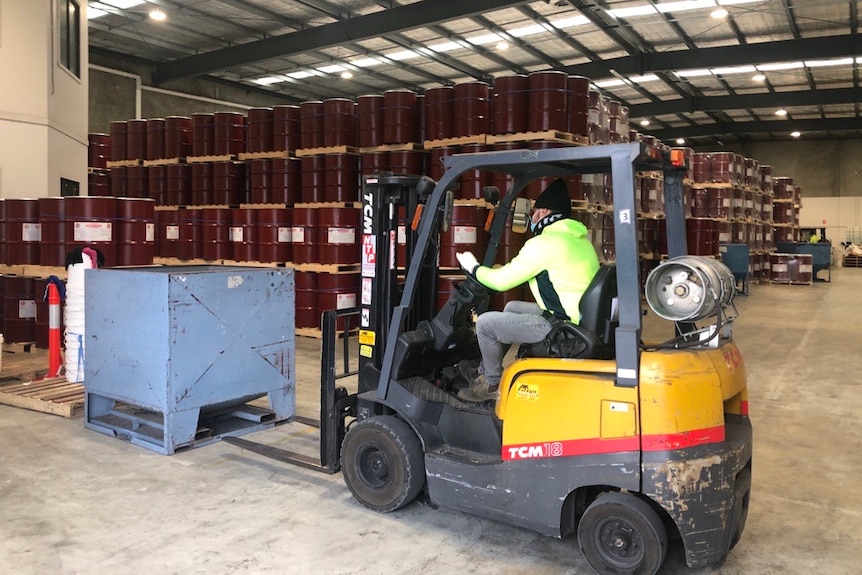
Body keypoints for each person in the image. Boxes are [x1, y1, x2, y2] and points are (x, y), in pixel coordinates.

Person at [454, 178, 600, 402]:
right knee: (512, 306)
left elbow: (500, 283)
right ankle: (483, 370)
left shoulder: (545, 243)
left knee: (485, 323)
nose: (531, 216)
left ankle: (491, 384)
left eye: (533, 211)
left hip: (564, 330)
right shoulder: (580, 241)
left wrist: (474, 268)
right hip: (580, 319)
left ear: (543, 212)